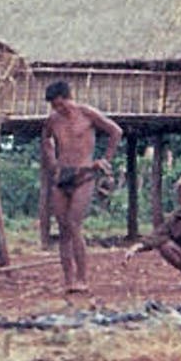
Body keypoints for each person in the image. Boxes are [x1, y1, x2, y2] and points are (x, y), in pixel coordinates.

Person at [41, 80, 124, 294]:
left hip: (84, 173)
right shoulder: (53, 120)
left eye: (62, 104)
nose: (60, 109)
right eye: (55, 106)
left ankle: (82, 279)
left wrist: (105, 160)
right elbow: (46, 141)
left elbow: (116, 131)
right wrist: (52, 164)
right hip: (62, 175)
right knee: (63, 228)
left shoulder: (87, 114)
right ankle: (68, 280)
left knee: (73, 223)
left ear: (70, 97)